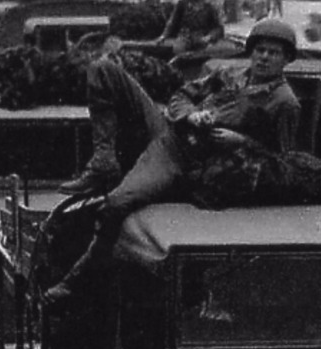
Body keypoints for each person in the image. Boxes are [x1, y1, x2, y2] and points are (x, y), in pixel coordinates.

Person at [50, 19, 301, 295]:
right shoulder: (229, 74)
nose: (264, 57)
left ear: (286, 59)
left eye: (273, 53)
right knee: (103, 69)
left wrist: (242, 141)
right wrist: (191, 114)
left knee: (118, 203)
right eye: (260, 50)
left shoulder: (284, 102)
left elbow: (284, 163)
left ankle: (77, 277)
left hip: (190, 162)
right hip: (172, 135)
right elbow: (182, 95)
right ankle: (103, 161)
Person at [160, 0, 225, 59]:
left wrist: (209, 37)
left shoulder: (209, 6)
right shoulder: (182, 4)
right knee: (178, 51)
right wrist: (164, 36)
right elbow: (173, 22)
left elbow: (218, 28)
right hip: (184, 37)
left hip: (202, 37)